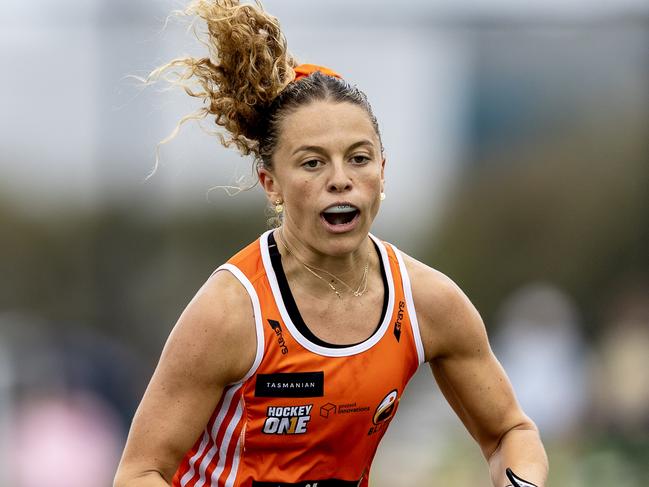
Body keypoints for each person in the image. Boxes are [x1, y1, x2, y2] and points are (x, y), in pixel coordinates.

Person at [114, 1, 548, 486]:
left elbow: (510, 432)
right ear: (271, 183)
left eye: (359, 158)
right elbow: (140, 473)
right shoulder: (231, 312)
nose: (340, 180)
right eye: (312, 163)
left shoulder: (429, 302)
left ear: (383, 171)